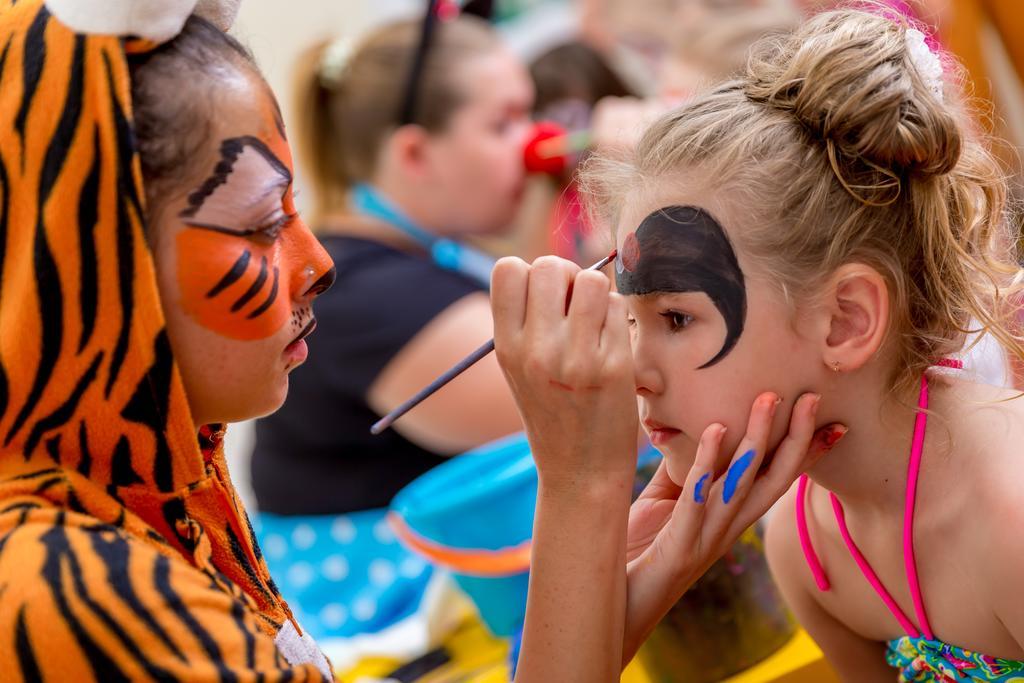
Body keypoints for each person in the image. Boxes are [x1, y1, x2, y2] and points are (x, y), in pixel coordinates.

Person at [0, 1, 833, 680]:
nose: (314, 263)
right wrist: (580, 487)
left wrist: (627, 581)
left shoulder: (168, 508)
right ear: (91, 261)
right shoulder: (73, 593)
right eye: (258, 227)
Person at [573, 6, 1024, 680]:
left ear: (845, 319)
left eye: (675, 319)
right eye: (631, 321)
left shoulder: (1011, 514)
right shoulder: (805, 540)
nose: (634, 370)